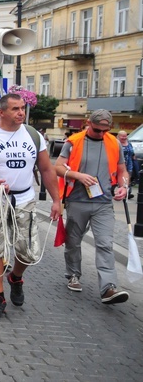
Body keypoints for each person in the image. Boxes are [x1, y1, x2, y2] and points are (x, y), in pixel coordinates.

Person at [0, 93, 61, 319]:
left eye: (22, 108)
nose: (21, 113)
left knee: (28, 252)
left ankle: (16, 277)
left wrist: (56, 200)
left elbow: (47, 169)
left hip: (24, 200)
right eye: (15, 109)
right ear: (1, 112)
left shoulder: (34, 136)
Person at [55, 109, 130, 304]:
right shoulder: (73, 142)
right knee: (73, 241)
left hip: (103, 202)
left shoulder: (114, 143)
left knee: (105, 243)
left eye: (105, 131)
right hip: (77, 200)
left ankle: (108, 288)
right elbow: (58, 167)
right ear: (88, 123)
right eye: (97, 130)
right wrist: (78, 175)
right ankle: (73, 274)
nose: (100, 134)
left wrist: (123, 186)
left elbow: (122, 171)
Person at [118, 130, 138, 196]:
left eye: (125, 136)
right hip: (119, 163)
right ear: (118, 136)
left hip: (129, 164)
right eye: (122, 136)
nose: (124, 137)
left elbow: (132, 152)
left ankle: (127, 192)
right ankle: (113, 190)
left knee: (128, 177)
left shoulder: (129, 143)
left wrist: (134, 157)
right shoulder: (116, 143)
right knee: (117, 178)